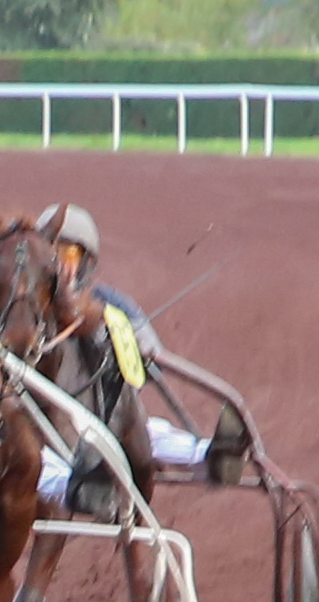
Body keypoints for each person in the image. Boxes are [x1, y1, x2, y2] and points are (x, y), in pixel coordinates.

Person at [37, 203, 240, 479]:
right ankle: (70, 486)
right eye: (51, 253)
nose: (59, 265)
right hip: (39, 418)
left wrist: (120, 340)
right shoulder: (25, 306)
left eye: (68, 254)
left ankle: (209, 456)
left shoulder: (111, 303)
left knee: (147, 431)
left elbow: (149, 355)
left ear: (87, 262)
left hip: (100, 414)